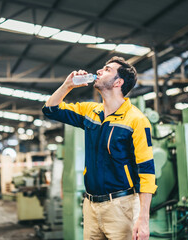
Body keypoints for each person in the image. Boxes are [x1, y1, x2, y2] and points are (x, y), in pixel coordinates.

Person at [42, 56, 157, 240]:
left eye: (107, 70)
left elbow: (147, 172)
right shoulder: (90, 112)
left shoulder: (136, 120)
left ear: (118, 82)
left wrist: (143, 219)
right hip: (91, 206)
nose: (99, 71)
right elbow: (50, 110)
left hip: (122, 206)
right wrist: (67, 85)